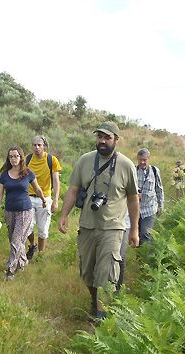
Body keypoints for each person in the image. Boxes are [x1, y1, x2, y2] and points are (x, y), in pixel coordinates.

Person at [58, 121, 140, 323]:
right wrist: (63, 215)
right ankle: (95, 300)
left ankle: (101, 317)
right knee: (87, 271)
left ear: (116, 140)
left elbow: (132, 198)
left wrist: (135, 229)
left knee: (106, 271)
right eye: (100, 137)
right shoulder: (85, 161)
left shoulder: (126, 165)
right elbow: (73, 190)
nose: (102, 141)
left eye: (107, 137)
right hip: (87, 225)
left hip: (113, 227)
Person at [0, 146, 46, 280]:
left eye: (16, 156)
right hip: (9, 211)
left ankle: (10, 270)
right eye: (11, 156)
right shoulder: (4, 175)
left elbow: (37, 188)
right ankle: (22, 261)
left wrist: (43, 200)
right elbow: (0, 194)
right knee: (13, 239)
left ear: (21, 157)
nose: (14, 159)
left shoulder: (28, 173)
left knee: (16, 240)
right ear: (8, 158)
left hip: (25, 211)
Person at [25, 135, 62, 260]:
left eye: (39, 145)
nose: (36, 147)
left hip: (45, 199)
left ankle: (40, 255)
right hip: (28, 197)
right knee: (27, 226)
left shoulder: (52, 160)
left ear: (44, 146)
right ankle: (32, 245)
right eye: (34, 145)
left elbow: (56, 181)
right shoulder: (27, 159)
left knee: (43, 230)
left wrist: (55, 201)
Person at [136, 148, 164, 245]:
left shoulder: (155, 171)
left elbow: (159, 189)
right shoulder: (133, 171)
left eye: (145, 160)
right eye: (140, 160)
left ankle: (146, 258)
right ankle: (139, 258)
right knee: (137, 235)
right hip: (136, 210)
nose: (142, 162)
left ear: (149, 159)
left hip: (150, 209)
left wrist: (161, 205)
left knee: (146, 234)